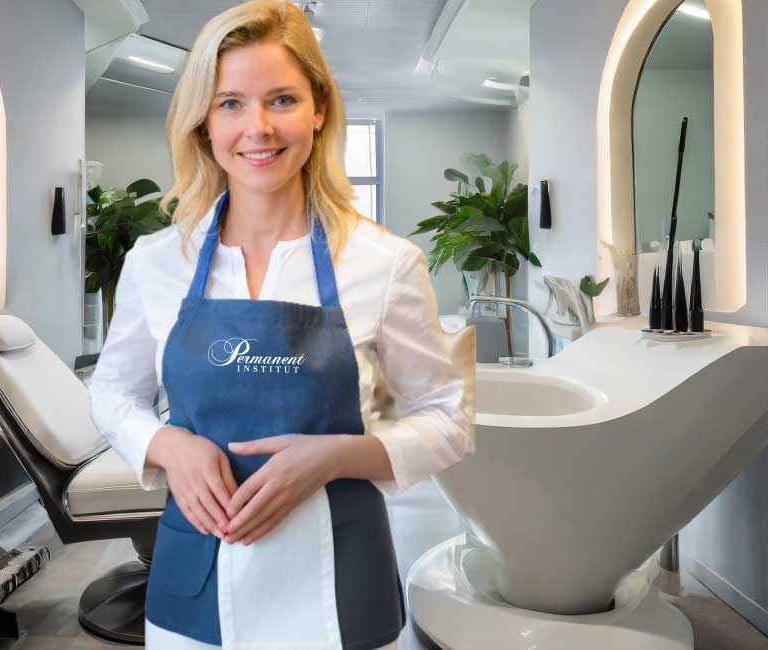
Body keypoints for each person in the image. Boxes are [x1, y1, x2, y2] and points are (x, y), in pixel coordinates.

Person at [89, 1, 472, 647]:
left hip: (340, 581)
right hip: (197, 576)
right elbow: (112, 393)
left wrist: (337, 456)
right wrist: (168, 446)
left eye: (282, 100)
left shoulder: (384, 263)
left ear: (319, 110)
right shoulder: (157, 261)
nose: (257, 128)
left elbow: (447, 416)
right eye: (230, 103)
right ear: (203, 122)